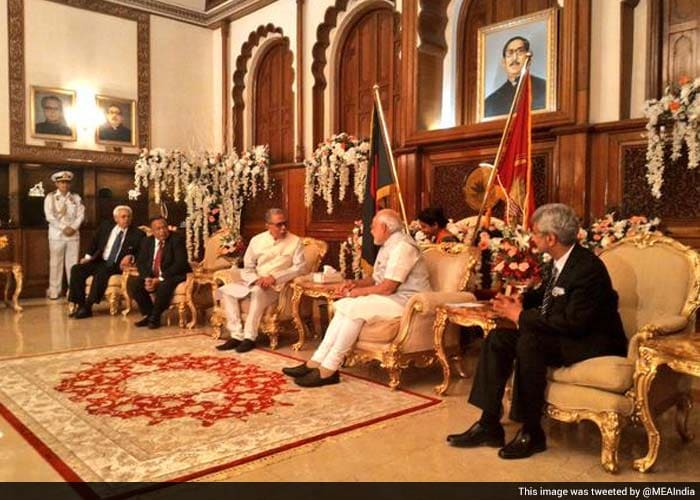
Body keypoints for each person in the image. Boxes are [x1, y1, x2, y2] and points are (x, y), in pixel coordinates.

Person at [446, 203, 627, 459]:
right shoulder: (560, 260)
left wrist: (520, 316)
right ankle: (489, 424)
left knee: (530, 342)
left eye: (535, 234)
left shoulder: (588, 269)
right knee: (498, 338)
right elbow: (546, 294)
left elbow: (574, 323)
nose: (532, 238)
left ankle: (532, 432)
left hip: (591, 341)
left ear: (551, 238)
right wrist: (517, 301)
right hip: (566, 333)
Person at [282, 209, 432, 388]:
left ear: (384, 227)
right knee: (345, 305)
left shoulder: (403, 247)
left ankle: (329, 369)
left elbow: (387, 288)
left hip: (409, 301)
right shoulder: (388, 245)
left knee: (352, 306)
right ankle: (316, 361)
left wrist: (356, 294)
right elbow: (376, 280)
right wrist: (353, 284)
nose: (370, 230)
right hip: (393, 297)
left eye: (373, 226)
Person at [215, 208, 306, 353]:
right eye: (278, 224)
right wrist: (255, 279)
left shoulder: (295, 242)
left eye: (285, 224)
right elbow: (248, 266)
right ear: (268, 225)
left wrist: (274, 278)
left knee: (258, 292)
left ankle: (249, 337)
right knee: (226, 291)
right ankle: (236, 335)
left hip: (278, 286)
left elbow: (300, 268)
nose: (283, 228)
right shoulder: (257, 240)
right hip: (256, 281)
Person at [69, 205, 146, 319]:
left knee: (101, 272)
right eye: (123, 217)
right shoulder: (106, 227)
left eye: (129, 217)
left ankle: (88, 306)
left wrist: (131, 257)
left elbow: (142, 253)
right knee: (76, 269)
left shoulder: (138, 234)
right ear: (116, 218)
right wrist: (87, 257)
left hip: (118, 265)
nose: (126, 219)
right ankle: (80, 304)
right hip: (100, 260)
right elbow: (94, 242)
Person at [128, 216, 190, 329]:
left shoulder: (177, 239)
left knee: (165, 284)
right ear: (152, 231)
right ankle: (149, 314)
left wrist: (160, 278)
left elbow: (180, 264)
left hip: (174, 274)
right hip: (153, 275)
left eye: (164, 227)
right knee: (134, 284)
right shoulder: (147, 241)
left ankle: (155, 317)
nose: (162, 231)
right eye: (158, 229)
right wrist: (147, 278)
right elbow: (141, 263)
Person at [44, 171, 85, 300]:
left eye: (67, 182)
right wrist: (64, 228)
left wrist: (73, 228)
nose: (65, 185)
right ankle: (54, 290)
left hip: (73, 235)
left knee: (72, 264)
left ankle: (72, 291)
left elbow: (81, 215)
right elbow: (49, 216)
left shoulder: (76, 198)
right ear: (56, 183)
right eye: (62, 182)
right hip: (57, 235)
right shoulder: (50, 197)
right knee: (56, 263)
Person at [484, 36, 547, 118]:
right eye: (510, 53)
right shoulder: (490, 102)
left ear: (529, 60)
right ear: (503, 62)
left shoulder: (545, 88)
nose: (514, 58)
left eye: (520, 52)